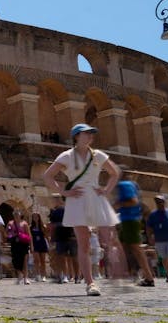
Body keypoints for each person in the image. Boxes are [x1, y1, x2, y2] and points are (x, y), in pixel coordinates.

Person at [42, 123, 121, 297]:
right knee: (83, 243)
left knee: (108, 238)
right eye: (86, 133)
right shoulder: (67, 156)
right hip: (77, 198)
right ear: (76, 136)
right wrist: (63, 191)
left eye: (91, 134)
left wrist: (106, 190)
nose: (90, 136)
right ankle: (90, 283)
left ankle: (118, 275)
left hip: (95, 195)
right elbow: (48, 175)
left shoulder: (98, 155)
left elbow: (114, 172)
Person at [113, 179, 156, 286]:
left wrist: (116, 205)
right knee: (125, 248)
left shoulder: (124, 184)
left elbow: (133, 201)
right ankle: (130, 274)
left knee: (136, 249)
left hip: (130, 220)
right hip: (127, 220)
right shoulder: (130, 184)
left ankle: (148, 277)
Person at [48, 195, 77, 283]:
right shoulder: (54, 212)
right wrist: (52, 237)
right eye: (54, 199)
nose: (56, 200)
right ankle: (65, 275)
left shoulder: (71, 210)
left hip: (71, 235)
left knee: (74, 257)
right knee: (61, 256)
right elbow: (52, 226)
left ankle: (77, 275)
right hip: (60, 236)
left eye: (57, 198)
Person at [7, 211, 32, 284]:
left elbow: (29, 235)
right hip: (15, 243)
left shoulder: (24, 223)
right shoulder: (10, 223)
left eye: (18, 215)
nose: (16, 216)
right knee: (15, 260)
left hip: (23, 243)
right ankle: (20, 274)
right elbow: (7, 232)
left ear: (20, 215)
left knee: (24, 261)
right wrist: (12, 235)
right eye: (15, 215)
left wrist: (31, 245)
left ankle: (26, 278)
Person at [29, 212, 49, 282]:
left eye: (36, 217)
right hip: (35, 244)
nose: (35, 218)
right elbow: (30, 237)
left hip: (42, 243)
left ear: (39, 217)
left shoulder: (43, 226)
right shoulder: (31, 227)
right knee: (36, 260)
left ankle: (43, 275)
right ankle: (37, 275)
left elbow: (46, 235)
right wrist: (31, 246)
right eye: (34, 217)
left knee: (43, 261)